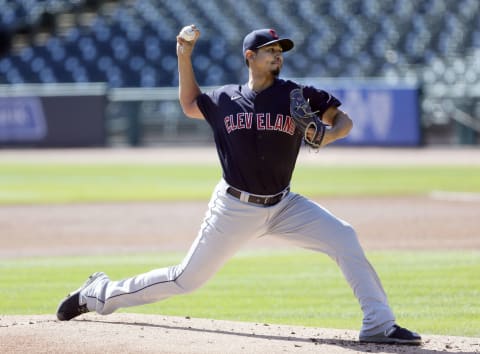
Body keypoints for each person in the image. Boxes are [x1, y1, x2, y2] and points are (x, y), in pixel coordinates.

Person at [57, 26, 422, 345]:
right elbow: (188, 103)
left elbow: (343, 120)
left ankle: (378, 324)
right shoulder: (226, 99)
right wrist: (184, 55)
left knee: (344, 236)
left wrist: (326, 134)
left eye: (280, 51)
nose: (278, 56)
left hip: (284, 205)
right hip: (235, 206)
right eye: (271, 51)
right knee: (186, 280)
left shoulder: (295, 95)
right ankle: (98, 294)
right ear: (250, 56)